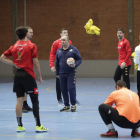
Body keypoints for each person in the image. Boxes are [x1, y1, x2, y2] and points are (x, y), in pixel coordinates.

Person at [0, 26, 48, 132]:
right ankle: (38, 125)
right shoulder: (31, 46)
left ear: (17, 36)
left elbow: (2, 57)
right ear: (26, 34)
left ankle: (20, 126)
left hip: (18, 76)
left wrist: (14, 63)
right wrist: (40, 75)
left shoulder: (13, 46)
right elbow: (35, 62)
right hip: (28, 76)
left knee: (19, 101)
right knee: (35, 101)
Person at [49, 28, 80, 105]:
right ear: (60, 34)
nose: (66, 34)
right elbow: (52, 54)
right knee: (59, 84)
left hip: (69, 69)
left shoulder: (69, 42)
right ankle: (59, 99)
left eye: (67, 33)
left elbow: (72, 53)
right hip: (60, 67)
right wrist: (52, 65)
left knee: (71, 85)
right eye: (64, 32)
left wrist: (74, 64)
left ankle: (74, 99)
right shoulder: (56, 43)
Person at [55, 35, 82, 112]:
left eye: (64, 40)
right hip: (61, 73)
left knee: (71, 88)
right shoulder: (59, 51)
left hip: (71, 73)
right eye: (61, 40)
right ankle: (67, 106)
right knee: (63, 89)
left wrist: (75, 65)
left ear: (68, 41)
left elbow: (80, 59)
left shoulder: (73, 49)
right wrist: (57, 73)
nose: (62, 41)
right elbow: (56, 63)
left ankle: (73, 105)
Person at [22, 26, 33, 112]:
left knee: (26, 89)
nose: (32, 34)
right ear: (26, 33)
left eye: (32, 32)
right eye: (30, 32)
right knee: (23, 89)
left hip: (28, 68)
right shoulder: (23, 43)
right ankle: (22, 105)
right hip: (23, 69)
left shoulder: (29, 42)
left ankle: (25, 104)